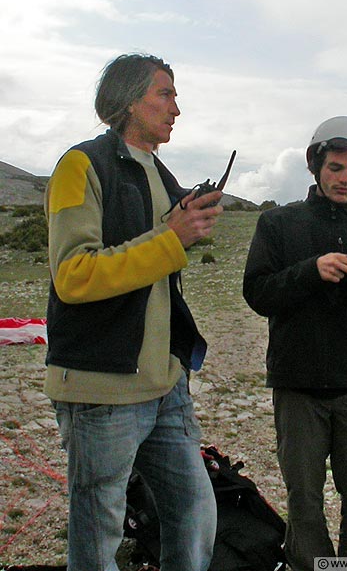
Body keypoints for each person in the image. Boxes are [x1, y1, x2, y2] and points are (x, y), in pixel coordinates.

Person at [44, 53, 223, 571]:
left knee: (195, 512)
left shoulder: (161, 174)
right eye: (165, 94)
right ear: (128, 99)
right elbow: (73, 275)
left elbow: (155, 268)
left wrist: (182, 224)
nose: (176, 108)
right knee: (98, 538)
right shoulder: (81, 165)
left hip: (164, 384)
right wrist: (171, 237)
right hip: (102, 388)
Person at [243, 116, 347, 570]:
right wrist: (310, 271)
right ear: (315, 166)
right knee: (305, 505)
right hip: (297, 383)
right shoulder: (277, 223)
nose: (345, 178)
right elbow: (258, 293)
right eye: (335, 168)